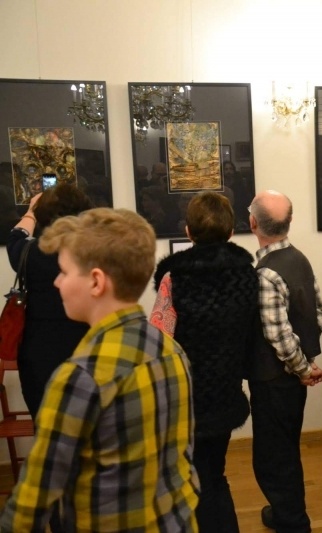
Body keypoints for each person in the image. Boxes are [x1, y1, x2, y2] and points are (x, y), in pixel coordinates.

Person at [0, 208, 199, 531]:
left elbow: (31, 504)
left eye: (64, 272)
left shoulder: (79, 378)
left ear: (95, 281)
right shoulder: (170, 350)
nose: (56, 281)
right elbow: (181, 461)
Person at [150, 192, 259, 532]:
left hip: (184, 397)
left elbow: (159, 341)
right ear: (230, 232)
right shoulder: (249, 276)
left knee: (193, 477)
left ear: (188, 231)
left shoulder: (174, 279)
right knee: (215, 472)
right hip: (226, 390)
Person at [246, 190, 322, 533]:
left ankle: (292, 521)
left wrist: (300, 367)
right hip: (293, 378)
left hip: (274, 379)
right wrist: (306, 363)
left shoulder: (265, 274)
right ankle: (287, 514)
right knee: (286, 448)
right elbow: (317, 314)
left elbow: (277, 335)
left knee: (273, 456)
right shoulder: (300, 259)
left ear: (253, 224)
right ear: (290, 222)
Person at [6, 185, 93, 418]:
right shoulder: (95, 252)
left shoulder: (28, 253)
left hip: (39, 351)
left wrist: (31, 211)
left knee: (46, 428)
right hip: (88, 345)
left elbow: (15, 237)